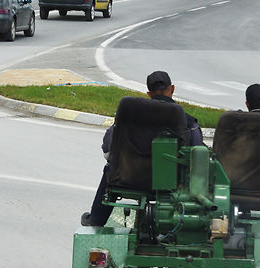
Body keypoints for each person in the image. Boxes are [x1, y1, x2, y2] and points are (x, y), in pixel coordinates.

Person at [81, 70, 203, 227]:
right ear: (172, 89)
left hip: (126, 179)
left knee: (109, 169)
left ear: (149, 94)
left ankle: (95, 220)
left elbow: (107, 149)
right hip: (172, 186)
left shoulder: (129, 114)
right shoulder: (187, 121)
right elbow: (198, 155)